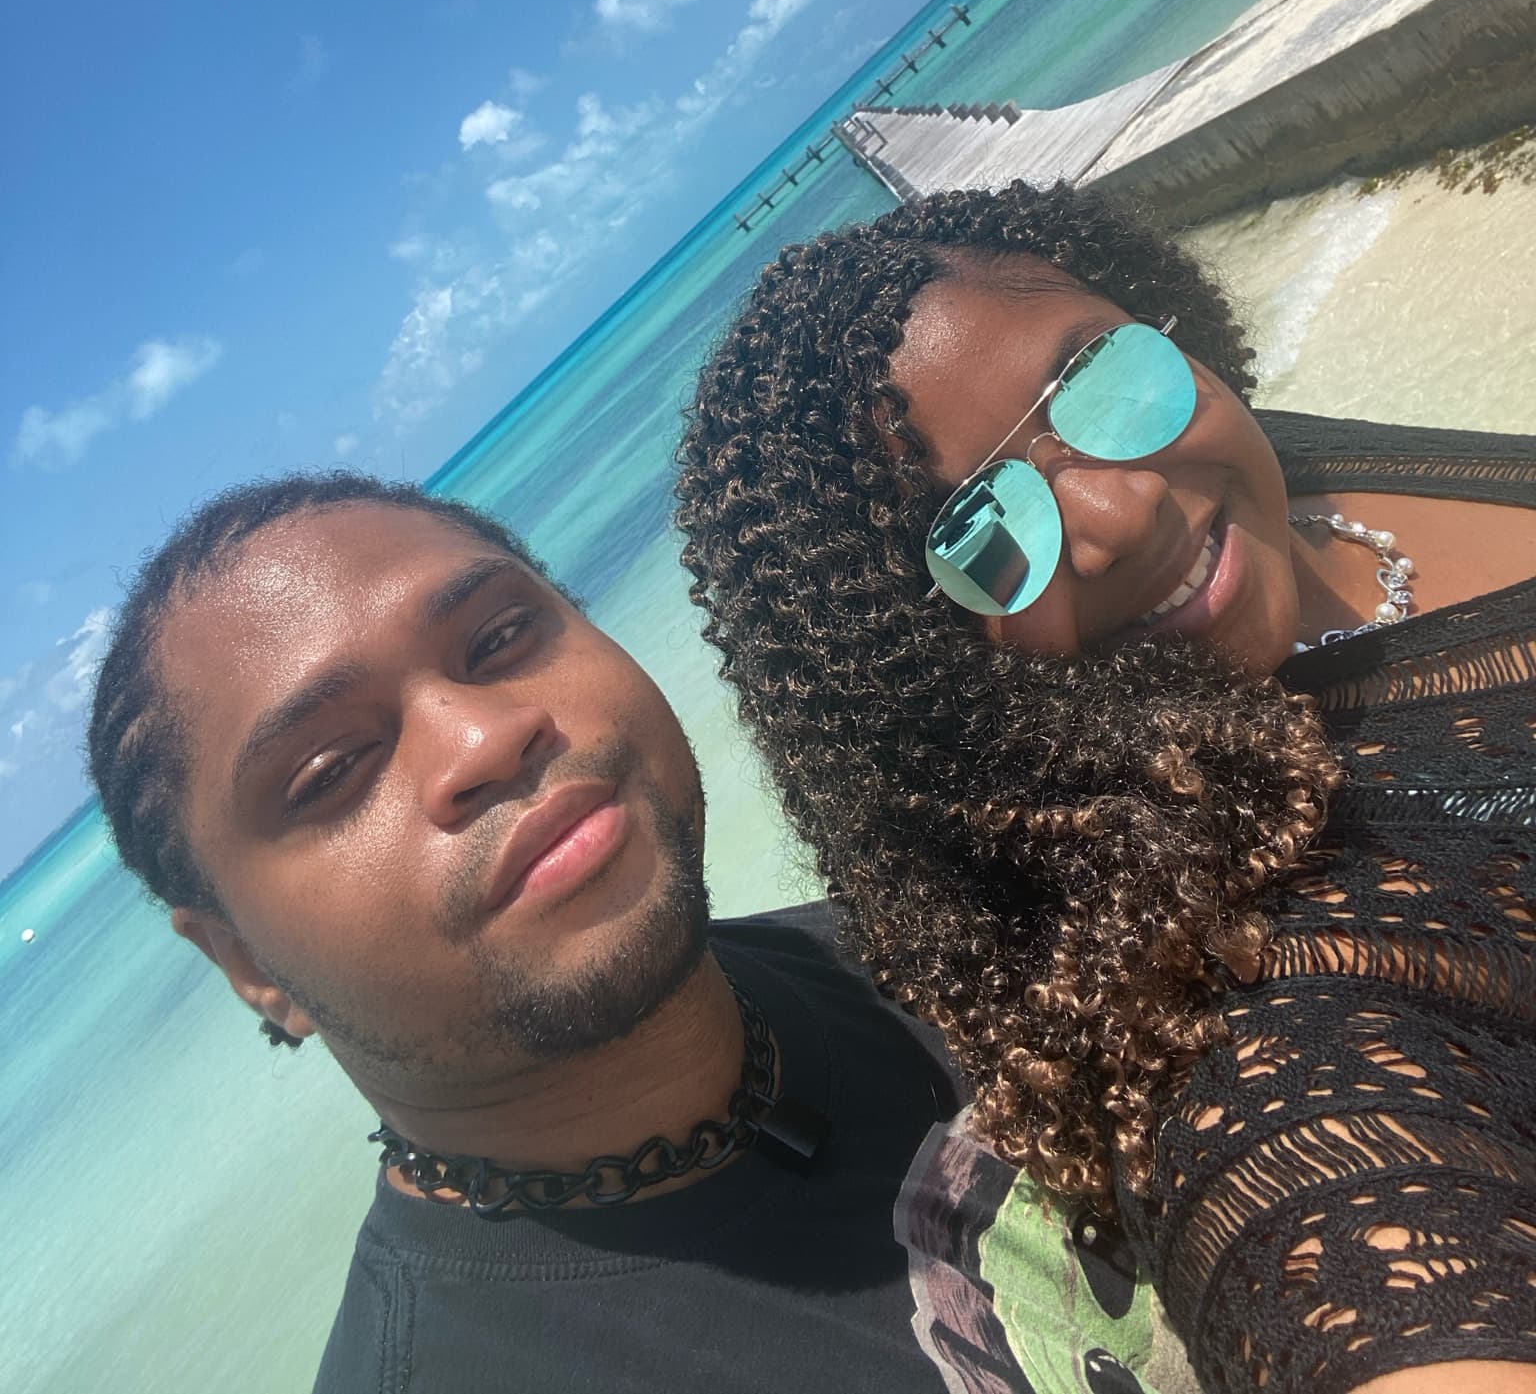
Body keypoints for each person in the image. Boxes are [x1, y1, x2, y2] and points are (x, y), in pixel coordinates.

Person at [676, 179, 1536, 1394]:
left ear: (1157, 325)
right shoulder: (1243, 970)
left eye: (1094, 380)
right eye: (978, 533)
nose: (1121, 510)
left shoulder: (1265, 464)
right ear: (915, 664)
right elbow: (1317, 1178)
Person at [85, 470, 1184, 1394]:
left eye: (500, 636)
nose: (485, 739)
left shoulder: (956, 933)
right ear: (248, 963)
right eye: (330, 770)